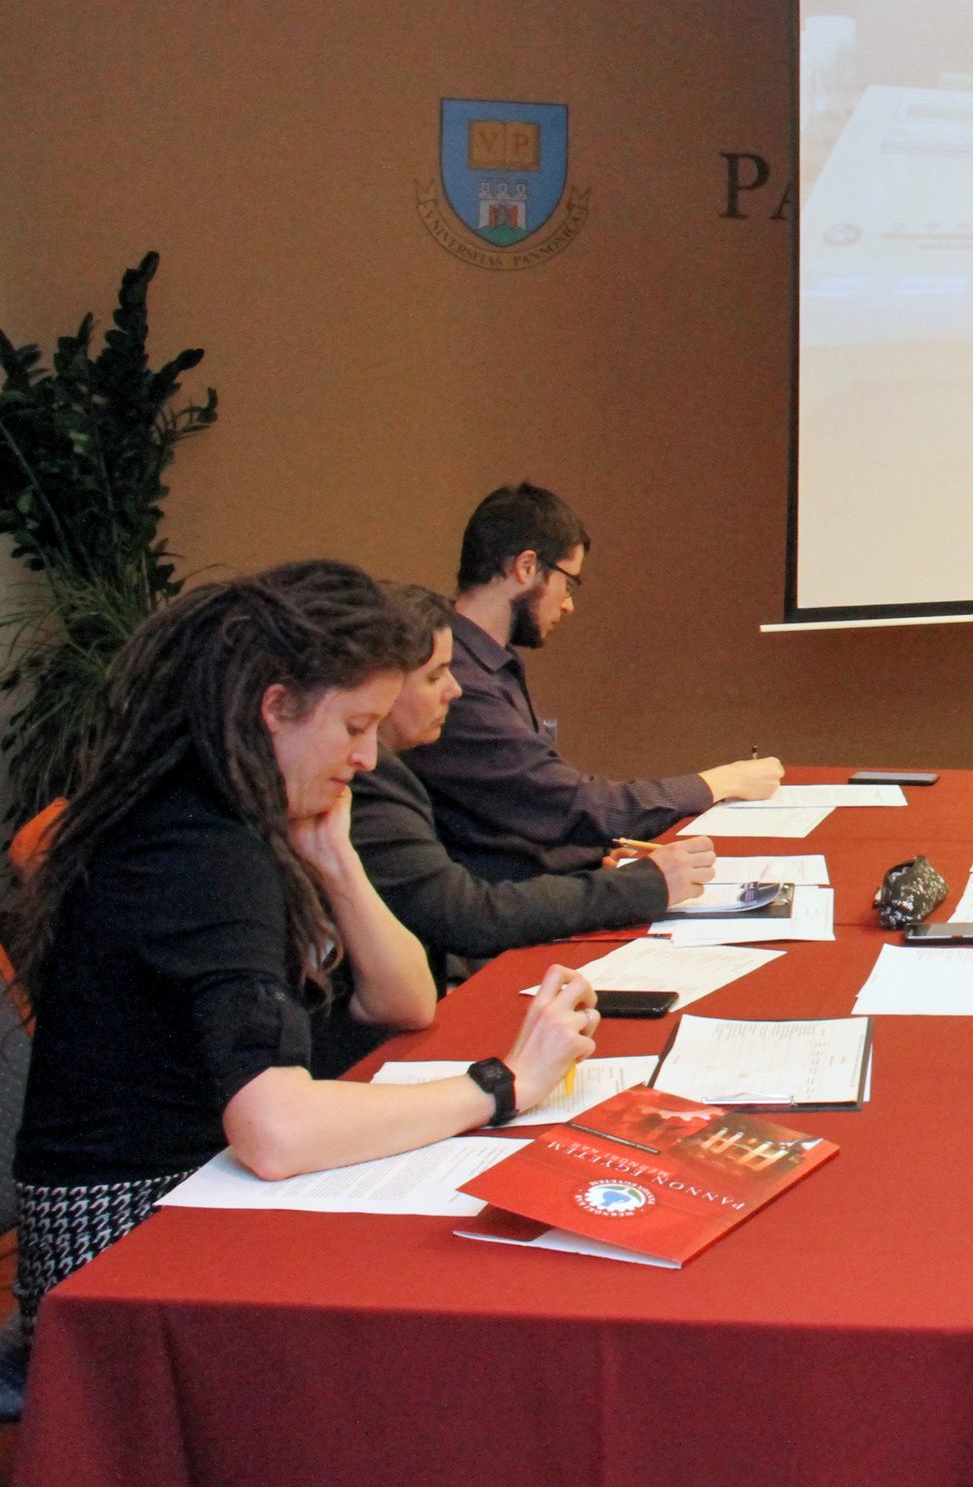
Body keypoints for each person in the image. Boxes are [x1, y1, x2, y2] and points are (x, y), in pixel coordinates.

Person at [4, 561, 600, 1326]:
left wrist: (336, 859)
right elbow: (276, 1132)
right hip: (122, 1254)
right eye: (354, 729)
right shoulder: (200, 852)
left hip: (188, 1196)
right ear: (276, 708)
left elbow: (406, 1003)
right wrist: (502, 1084)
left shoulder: (228, 815)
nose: (368, 758)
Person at [405, 483, 782, 880]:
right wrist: (717, 782)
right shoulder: (459, 681)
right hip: (513, 905)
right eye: (569, 582)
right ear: (527, 567)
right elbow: (569, 804)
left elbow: (532, 808)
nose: (569, 604)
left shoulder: (486, 660)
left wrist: (595, 854)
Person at [352, 583, 717, 991]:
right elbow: (465, 914)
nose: (454, 690)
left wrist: (599, 870)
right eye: (435, 676)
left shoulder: (398, 764)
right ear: (381, 685)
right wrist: (638, 887)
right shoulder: (369, 778)